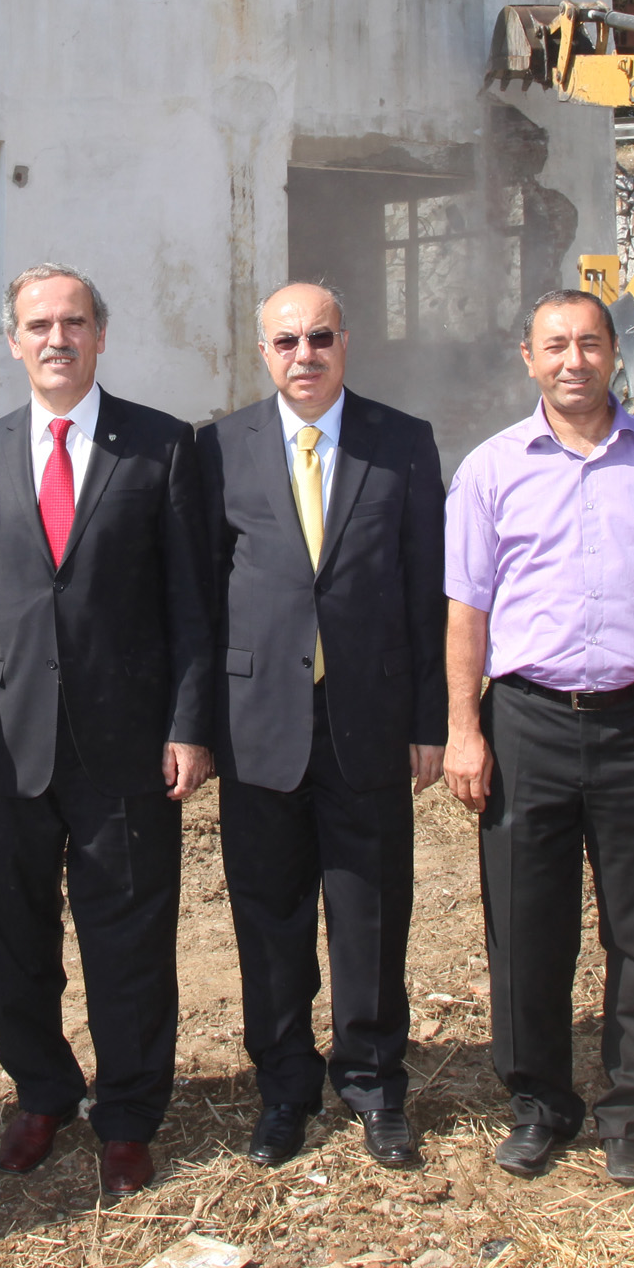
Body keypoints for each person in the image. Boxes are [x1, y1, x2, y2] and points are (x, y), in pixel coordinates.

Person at [442, 290, 634, 1188]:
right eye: (555, 345)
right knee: (525, 928)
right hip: (526, 723)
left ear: (615, 353)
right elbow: (467, 611)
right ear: (528, 358)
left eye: (589, 343)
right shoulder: (490, 470)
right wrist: (463, 729)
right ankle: (540, 1105)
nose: (573, 360)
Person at [0, 263, 214, 1197]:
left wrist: (189, 724)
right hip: (6, 748)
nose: (57, 338)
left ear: (100, 334)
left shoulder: (163, 446)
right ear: (13, 341)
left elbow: (191, 603)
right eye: (39, 324)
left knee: (130, 939)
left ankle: (129, 1114)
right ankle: (43, 1093)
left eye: (74, 322)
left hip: (126, 745)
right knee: (15, 936)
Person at [199, 282, 446, 1172]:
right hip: (258, 723)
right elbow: (200, 598)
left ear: (347, 341)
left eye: (320, 338)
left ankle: (375, 1083)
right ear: (263, 351)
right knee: (270, 915)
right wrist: (197, 727)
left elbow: (428, 591)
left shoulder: (402, 442)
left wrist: (432, 720)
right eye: (286, 341)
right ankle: (284, 1089)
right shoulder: (218, 448)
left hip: (367, 719)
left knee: (370, 910)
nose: (304, 354)